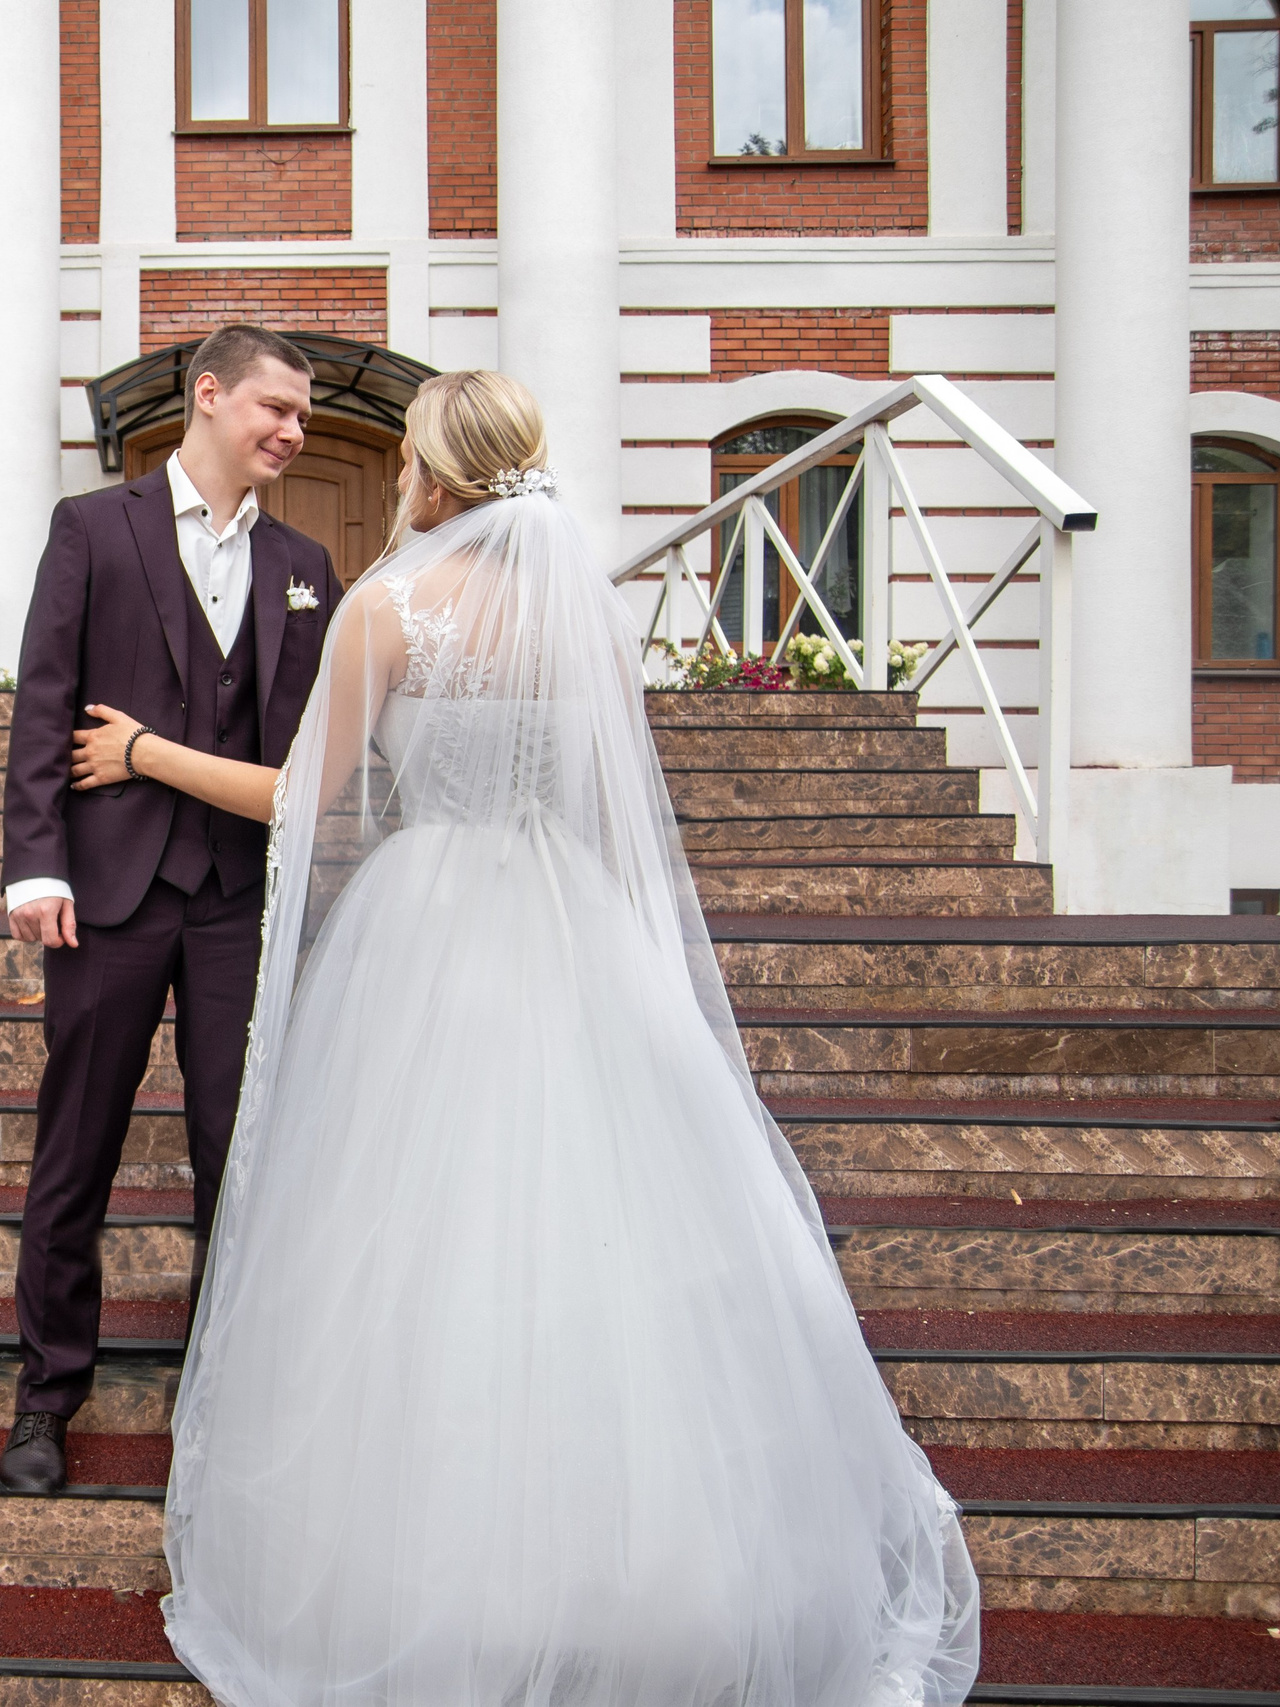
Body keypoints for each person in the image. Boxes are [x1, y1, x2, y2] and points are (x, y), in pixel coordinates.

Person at [73, 371, 980, 1707]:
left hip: (431, 925)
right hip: (572, 919)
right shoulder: (580, 610)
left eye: (404, 461)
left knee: (422, 1236)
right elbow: (614, 806)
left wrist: (146, 751)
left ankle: (444, 1587)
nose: (397, 480)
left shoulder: (389, 608)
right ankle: (655, 1577)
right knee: (608, 1229)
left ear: (436, 477)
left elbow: (299, 796)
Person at [0, 323, 346, 1495]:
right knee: (76, 1149)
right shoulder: (94, 528)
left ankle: (219, 1402)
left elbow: (297, 746)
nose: (293, 432)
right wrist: (35, 865)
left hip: (237, 898)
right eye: (276, 408)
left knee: (234, 1157)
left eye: (303, 417)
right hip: (106, 895)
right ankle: (47, 1398)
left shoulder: (306, 564)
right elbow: (44, 698)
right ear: (208, 395)